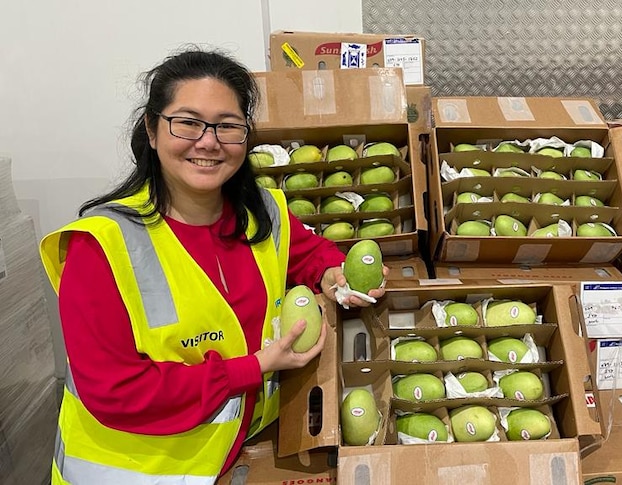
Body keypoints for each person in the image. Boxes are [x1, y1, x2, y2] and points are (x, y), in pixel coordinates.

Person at [39, 47, 385, 484]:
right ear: (151, 128)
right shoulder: (102, 246)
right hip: (138, 472)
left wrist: (336, 274)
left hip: (239, 457)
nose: (208, 141)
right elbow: (116, 391)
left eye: (227, 126)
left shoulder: (265, 213)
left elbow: (310, 254)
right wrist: (253, 367)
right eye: (187, 122)